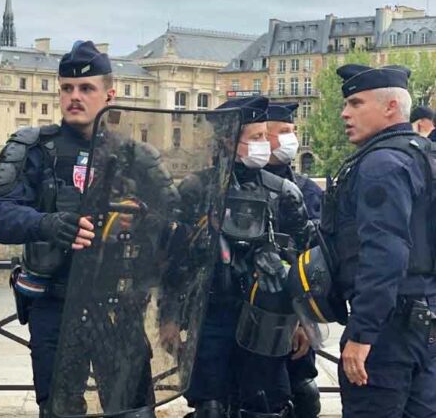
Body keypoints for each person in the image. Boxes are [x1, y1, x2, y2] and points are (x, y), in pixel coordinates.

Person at [0, 41, 114, 416]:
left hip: (115, 304)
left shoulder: (131, 155)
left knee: (132, 407)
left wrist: (139, 221)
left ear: (109, 94)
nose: (75, 97)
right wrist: (47, 224)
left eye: (86, 88)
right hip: (54, 302)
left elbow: (168, 221)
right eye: (67, 88)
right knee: (59, 409)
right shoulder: (32, 148)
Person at [176, 96, 313, 418]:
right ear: (228, 141)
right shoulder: (197, 189)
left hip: (269, 316)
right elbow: (176, 259)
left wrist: (302, 321)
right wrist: (171, 319)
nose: (265, 145)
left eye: (265, 136)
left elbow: (305, 260)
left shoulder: (283, 192)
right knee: (210, 408)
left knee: (263, 406)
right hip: (211, 314)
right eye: (256, 138)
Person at [320, 64, 436, 417]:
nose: (344, 113)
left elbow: (385, 253)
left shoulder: (381, 164)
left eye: (356, 103)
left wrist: (362, 335)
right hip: (424, 322)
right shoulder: (423, 155)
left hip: (388, 331)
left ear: (390, 108)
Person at [264, 103, 323, 418]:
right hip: (247, 315)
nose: (291, 139)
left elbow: (316, 262)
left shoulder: (306, 190)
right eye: (283, 132)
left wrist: (303, 320)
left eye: (292, 132)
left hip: (293, 316)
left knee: (302, 392)